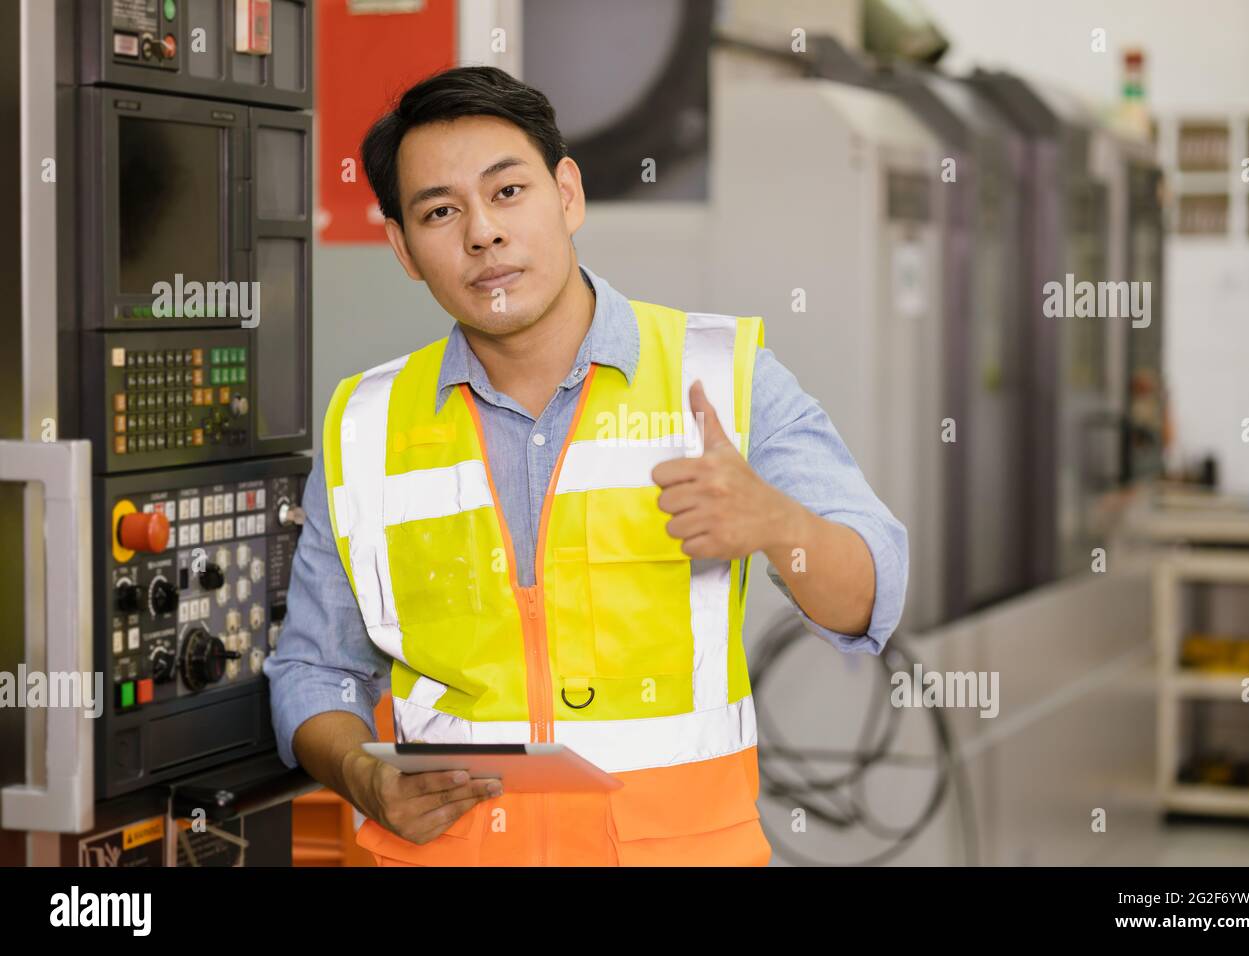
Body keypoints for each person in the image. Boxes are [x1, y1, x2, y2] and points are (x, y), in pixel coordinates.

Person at [264, 65, 908, 866]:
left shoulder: (721, 374)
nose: (483, 234)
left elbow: (872, 596)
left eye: (507, 193)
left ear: (567, 194)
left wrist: (780, 525)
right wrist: (359, 772)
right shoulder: (366, 423)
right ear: (402, 246)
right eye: (440, 211)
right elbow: (315, 668)